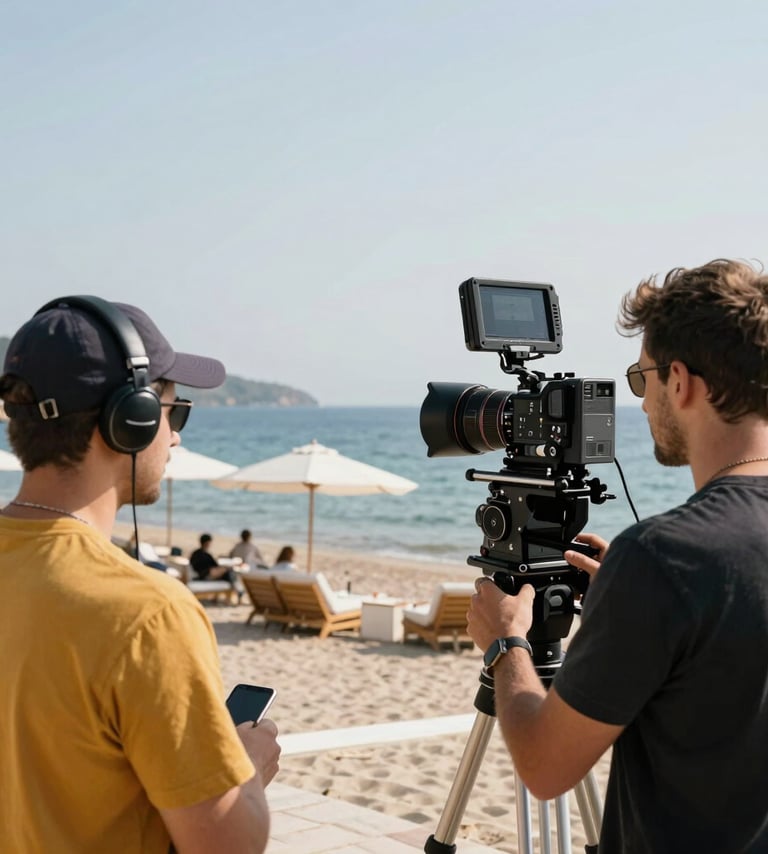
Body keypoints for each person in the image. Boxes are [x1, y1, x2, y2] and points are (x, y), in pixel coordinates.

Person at [467, 259, 768, 853]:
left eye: (641, 377)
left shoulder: (663, 559)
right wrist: (638, 598)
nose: (642, 402)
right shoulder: (664, 571)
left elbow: (544, 767)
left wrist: (504, 643)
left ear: (678, 381)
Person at [0, 296, 280, 853]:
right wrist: (247, 765)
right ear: (129, 419)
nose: (176, 436)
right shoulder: (147, 614)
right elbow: (230, 846)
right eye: (175, 412)